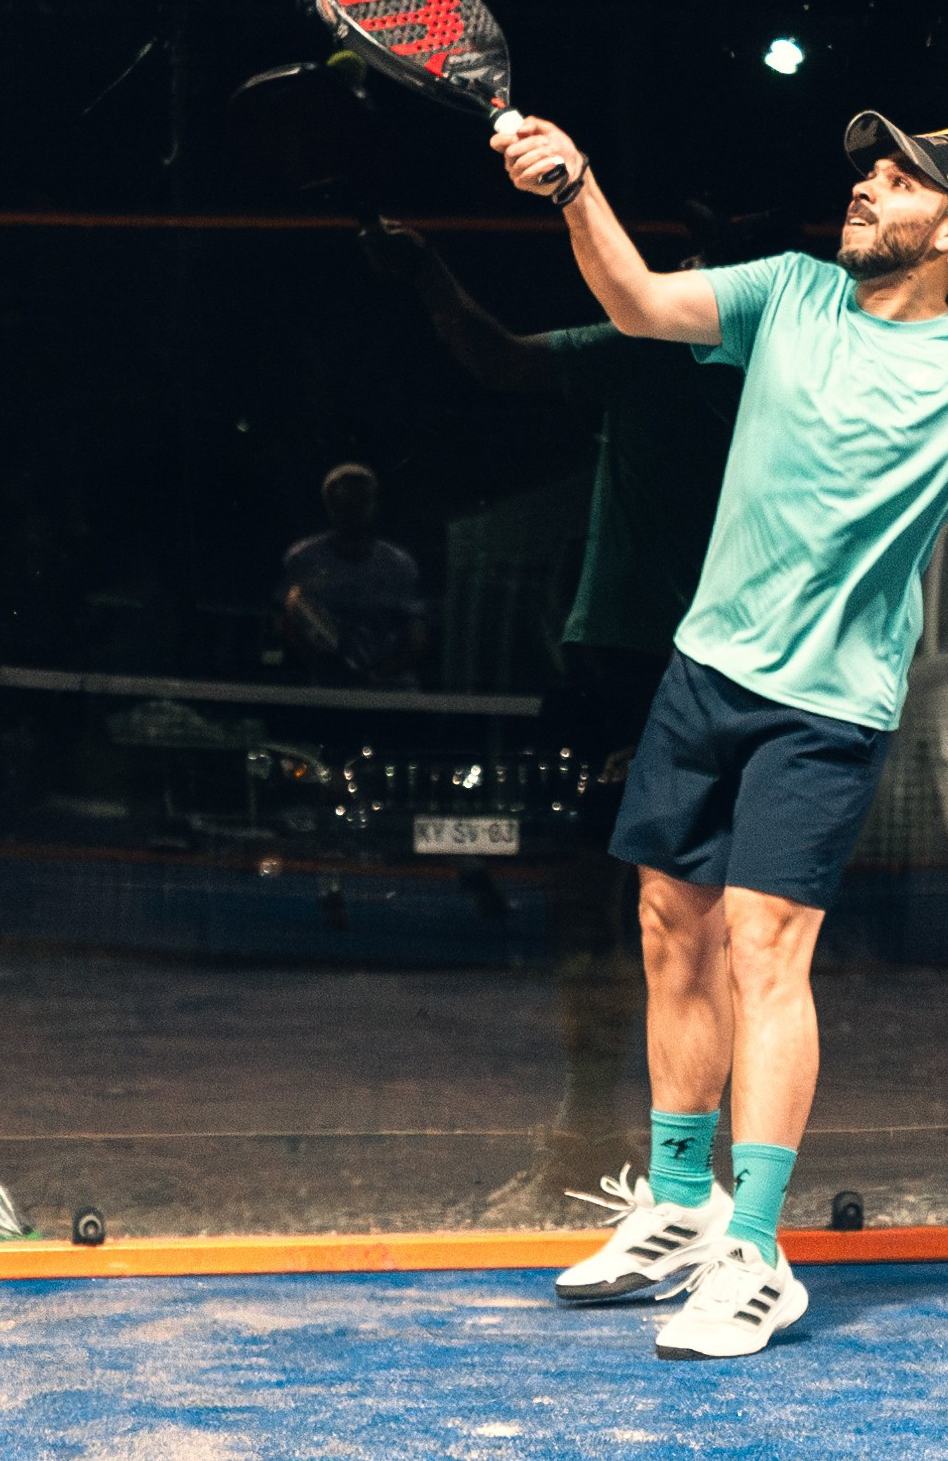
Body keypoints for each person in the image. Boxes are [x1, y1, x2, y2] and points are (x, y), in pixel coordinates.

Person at [491, 107, 948, 1360]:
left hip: (827, 703)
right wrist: (575, 187)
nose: (866, 188)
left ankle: (756, 1252)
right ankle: (682, 1205)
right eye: (868, 172)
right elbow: (636, 303)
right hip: (705, 669)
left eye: (901, 182)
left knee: (764, 950)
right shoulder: (788, 291)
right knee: (669, 926)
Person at [359, 210, 769, 1214]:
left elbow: (493, 356)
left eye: (691, 257)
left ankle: (628, 1148)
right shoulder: (781, 367)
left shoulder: (655, 344)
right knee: (706, 918)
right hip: (725, 660)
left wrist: (424, 270)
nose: (675, 267)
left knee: (613, 906)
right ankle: (656, 1158)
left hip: (646, 658)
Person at [277, 463, 426, 687]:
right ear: (331, 505)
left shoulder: (399, 565)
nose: (356, 510)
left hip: (390, 690)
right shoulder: (303, 560)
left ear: (374, 503)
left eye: (363, 500)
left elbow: (416, 632)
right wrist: (327, 667)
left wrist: (381, 673)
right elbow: (288, 621)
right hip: (325, 690)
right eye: (347, 503)